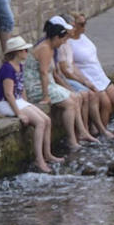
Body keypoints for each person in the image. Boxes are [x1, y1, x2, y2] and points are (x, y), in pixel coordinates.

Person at [0, 37, 59, 173]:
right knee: (40, 122)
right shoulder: (7, 69)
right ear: (17, 52)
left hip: (17, 100)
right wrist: (20, 113)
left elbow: (21, 88)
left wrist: (27, 104)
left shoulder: (20, 66)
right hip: (4, 103)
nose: (27, 52)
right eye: (24, 50)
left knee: (47, 119)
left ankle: (48, 154)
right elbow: (8, 94)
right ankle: (39, 159)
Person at [30, 16, 96, 149]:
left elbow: (53, 73)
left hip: (49, 84)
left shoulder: (51, 47)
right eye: (62, 40)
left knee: (75, 97)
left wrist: (68, 88)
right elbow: (43, 73)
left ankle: (82, 132)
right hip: (36, 87)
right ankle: (72, 139)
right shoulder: (44, 49)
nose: (63, 43)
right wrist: (46, 96)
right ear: (55, 38)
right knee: (70, 104)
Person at [67, 13, 114, 132]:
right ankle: (100, 131)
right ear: (73, 25)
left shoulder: (83, 37)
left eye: (85, 23)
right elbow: (70, 64)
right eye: (81, 24)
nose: (84, 26)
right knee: (106, 102)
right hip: (86, 75)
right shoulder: (68, 43)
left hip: (97, 72)